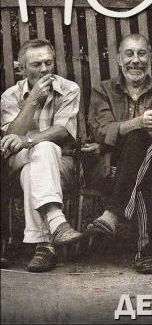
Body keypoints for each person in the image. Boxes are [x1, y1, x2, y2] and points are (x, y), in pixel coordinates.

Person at [84, 33, 152, 274]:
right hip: (110, 167)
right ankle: (146, 254)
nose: (136, 60)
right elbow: (100, 131)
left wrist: (122, 134)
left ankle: (112, 214)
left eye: (141, 53)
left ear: (150, 58)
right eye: (129, 54)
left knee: (141, 144)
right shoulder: (102, 90)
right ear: (118, 59)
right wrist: (138, 123)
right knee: (144, 168)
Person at [1, 39, 82, 272]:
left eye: (48, 62)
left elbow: (62, 131)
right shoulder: (10, 96)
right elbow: (12, 135)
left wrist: (28, 141)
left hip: (59, 163)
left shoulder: (69, 88)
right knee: (37, 155)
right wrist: (33, 100)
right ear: (21, 68)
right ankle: (55, 226)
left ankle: (44, 243)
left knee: (42, 153)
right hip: (17, 164)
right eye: (36, 64)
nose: (45, 69)